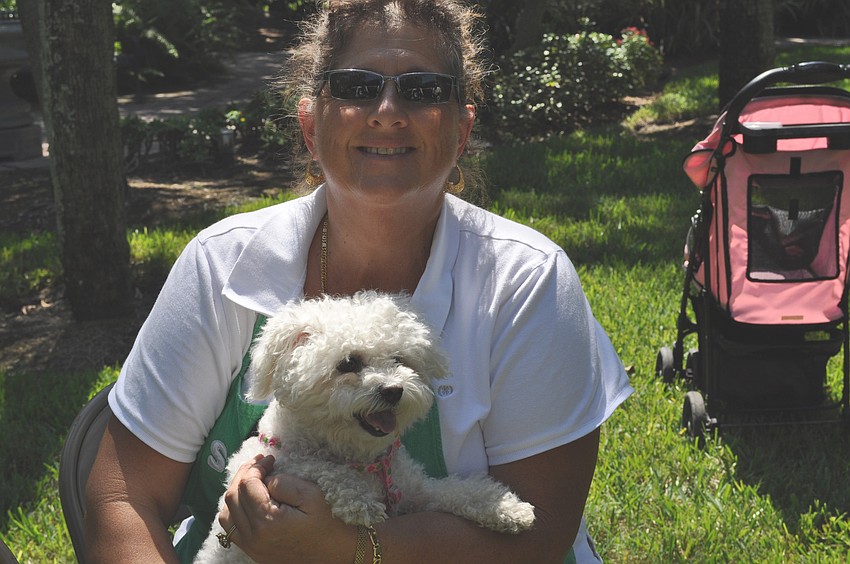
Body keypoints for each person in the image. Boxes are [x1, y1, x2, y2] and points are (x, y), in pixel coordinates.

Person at [84, 0, 633, 562]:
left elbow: (540, 536)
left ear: (463, 129)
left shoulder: (528, 279)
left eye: (423, 89)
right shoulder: (221, 263)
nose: (388, 110)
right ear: (308, 124)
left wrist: (350, 547)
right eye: (355, 86)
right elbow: (122, 494)